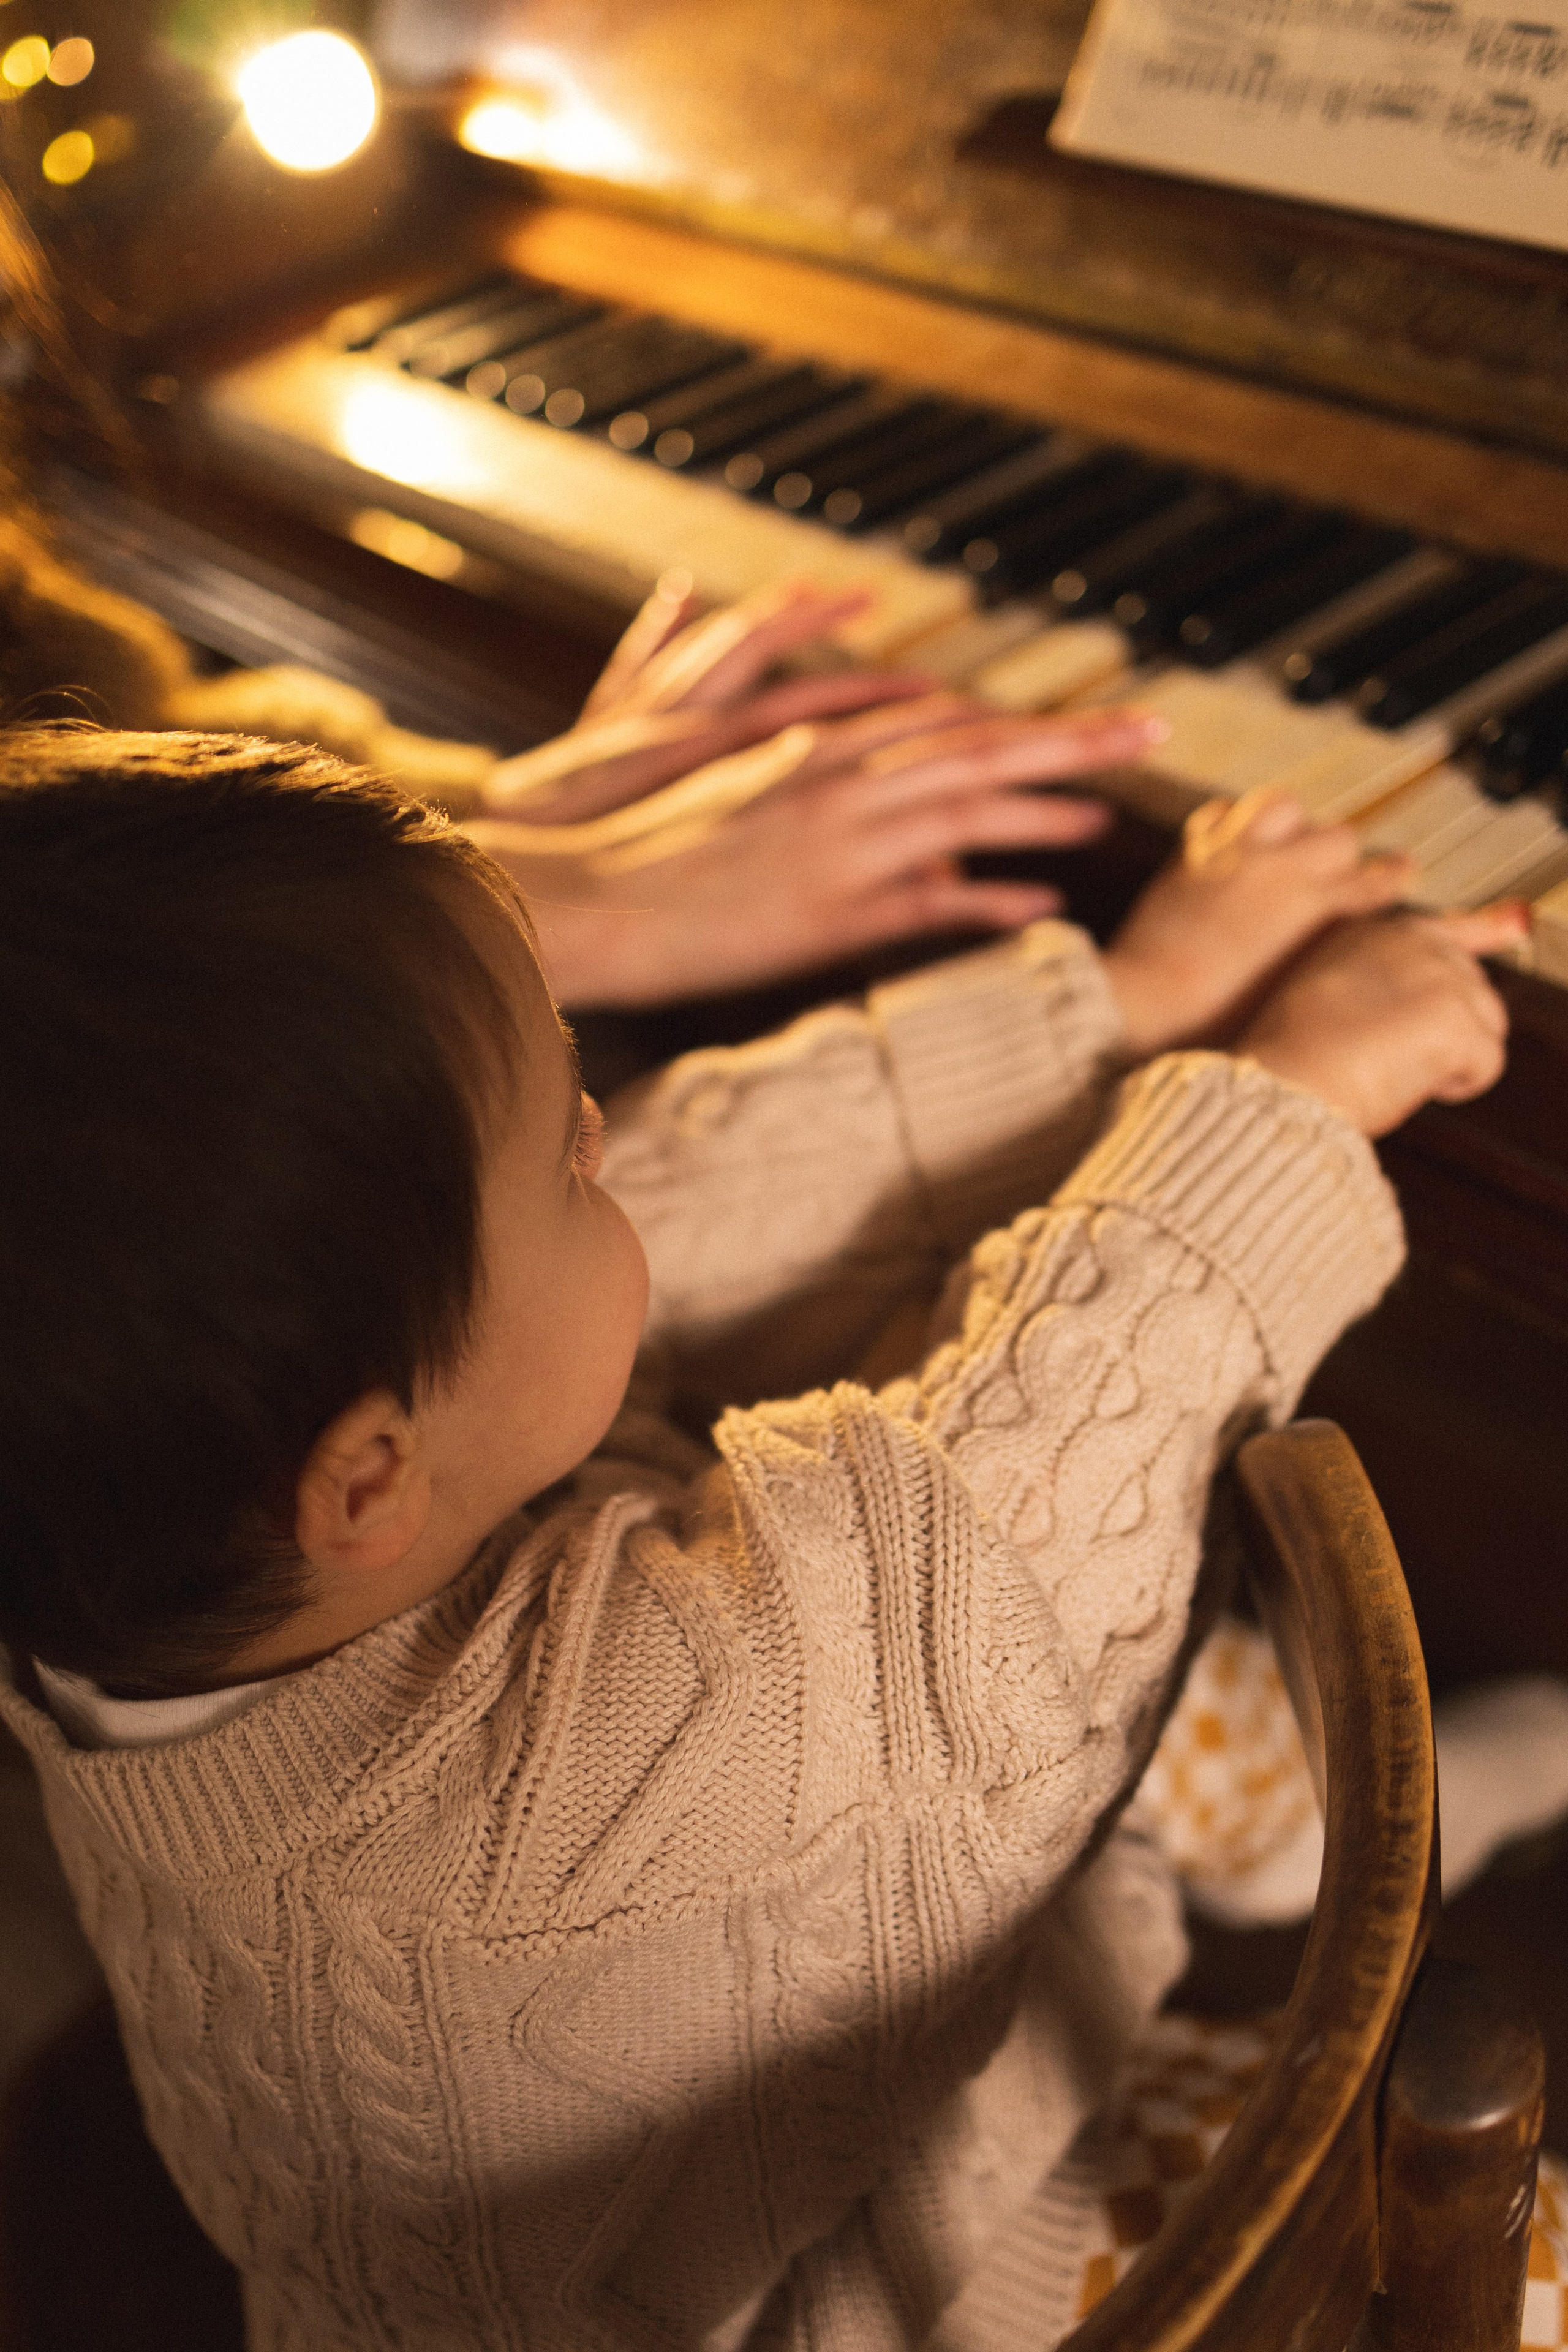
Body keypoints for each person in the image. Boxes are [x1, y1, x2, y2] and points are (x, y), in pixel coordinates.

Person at [0, 719, 1523, 2348]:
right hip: (895, 2284)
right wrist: (1289, 1094)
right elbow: (1001, 1536)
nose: (613, 1137)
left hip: (720, 2106)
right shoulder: (605, 1769)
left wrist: (1119, 1008)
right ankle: (1277, 1844)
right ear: (367, 1478)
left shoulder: (167, 1546)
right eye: (562, 1148)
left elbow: (684, 1200)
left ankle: (1267, 1823)